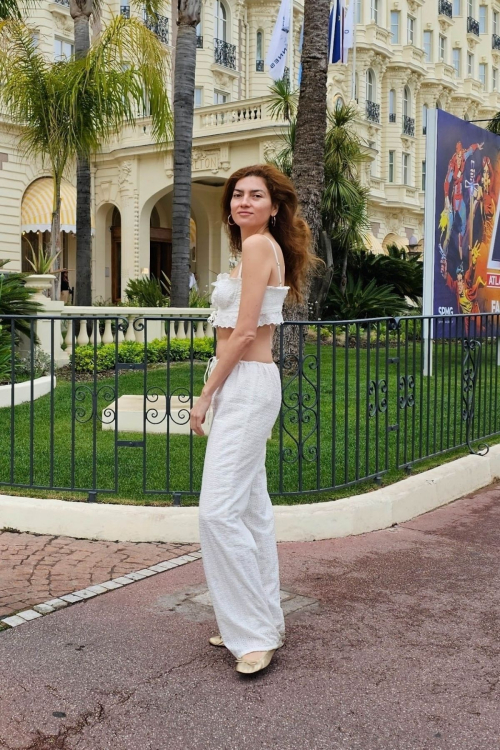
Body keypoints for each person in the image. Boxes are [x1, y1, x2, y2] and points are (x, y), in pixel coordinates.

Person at [189, 164, 322, 675]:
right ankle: (257, 618)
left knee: (217, 511)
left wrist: (204, 396)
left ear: (273, 205)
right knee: (249, 507)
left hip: (245, 385)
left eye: (255, 195)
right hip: (243, 386)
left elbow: (244, 334)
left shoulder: (261, 247)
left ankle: (254, 633)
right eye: (237, 195)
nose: (243, 202)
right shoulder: (252, 250)